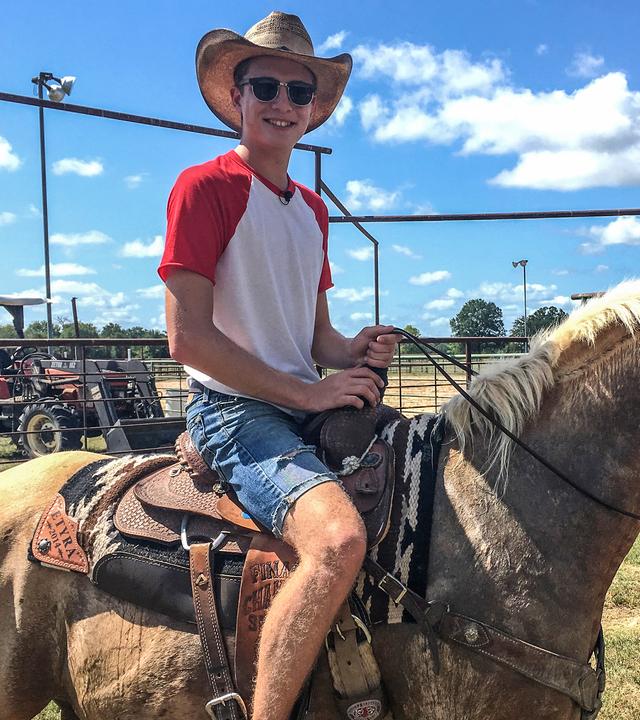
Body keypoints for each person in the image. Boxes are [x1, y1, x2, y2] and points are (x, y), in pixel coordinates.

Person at [158, 11, 400, 720]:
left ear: (313, 109)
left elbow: (317, 337)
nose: (282, 103)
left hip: (298, 400)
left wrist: (355, 350)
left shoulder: (312, 211)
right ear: (237, 97)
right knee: (338, 541)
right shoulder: (203, 187)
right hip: (233, 411)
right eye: (265, 86)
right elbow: (188, 339)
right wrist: (309, 393)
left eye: (299, 92)